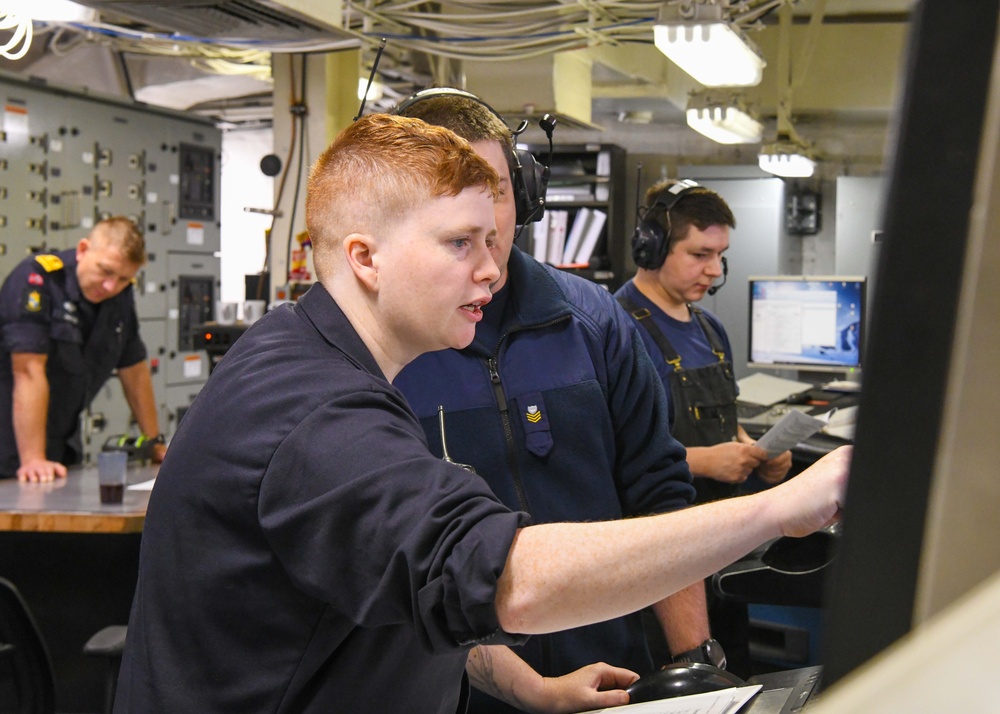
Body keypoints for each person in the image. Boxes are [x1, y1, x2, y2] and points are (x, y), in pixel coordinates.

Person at [114, 113, 850, 714]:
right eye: (458, 244)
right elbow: (507, 579)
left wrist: (531, 688)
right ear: (366, 259)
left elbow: (414, 585)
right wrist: (780, 509)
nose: (492, 268)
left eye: (491, 235)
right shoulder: (315, 413)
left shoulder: (326, 361)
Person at [392, 89, 715, 713]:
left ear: (526, 191)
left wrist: (692, 667)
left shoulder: (595, 323)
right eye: (449, 195)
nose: (480, 219)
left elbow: (660, 498)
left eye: (494, 189)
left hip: (613, 682)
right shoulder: (375, 352)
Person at [614, 179, 794, 674]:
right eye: (699, 254)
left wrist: (758, 454)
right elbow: (609, 455)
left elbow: (724, 423)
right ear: (650, 247)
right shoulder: (614, 329)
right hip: (660, 557)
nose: (714, 271)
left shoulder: (710, 329)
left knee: (729, 672)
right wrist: (706, 461)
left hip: (723, 548)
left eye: (721, 255)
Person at [0, 217, 166, 482]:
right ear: (82, 250)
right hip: (12, 442)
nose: (111, 286)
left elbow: (133, 369)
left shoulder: (119, 295)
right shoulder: (38, 279)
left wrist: (153, 443)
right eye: (105, 271)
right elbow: (28, 371)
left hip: (61, 444)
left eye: (124, 278)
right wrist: (32, 458)